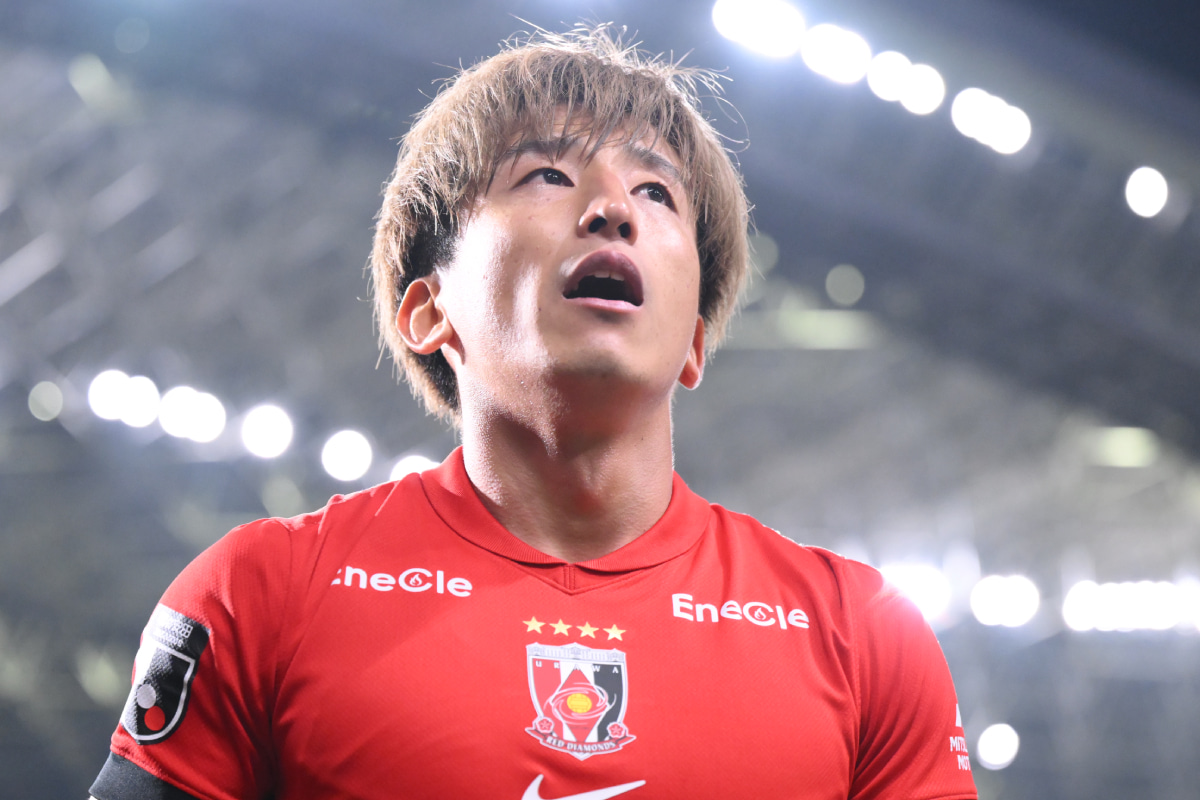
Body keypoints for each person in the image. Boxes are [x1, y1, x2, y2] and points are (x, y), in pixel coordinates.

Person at [90, 25, 978, 800]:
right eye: (548, 174)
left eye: (657, 192)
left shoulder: (864, 636)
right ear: (428, 310)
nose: (612, 210)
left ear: (695, 341)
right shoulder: (261, 595)